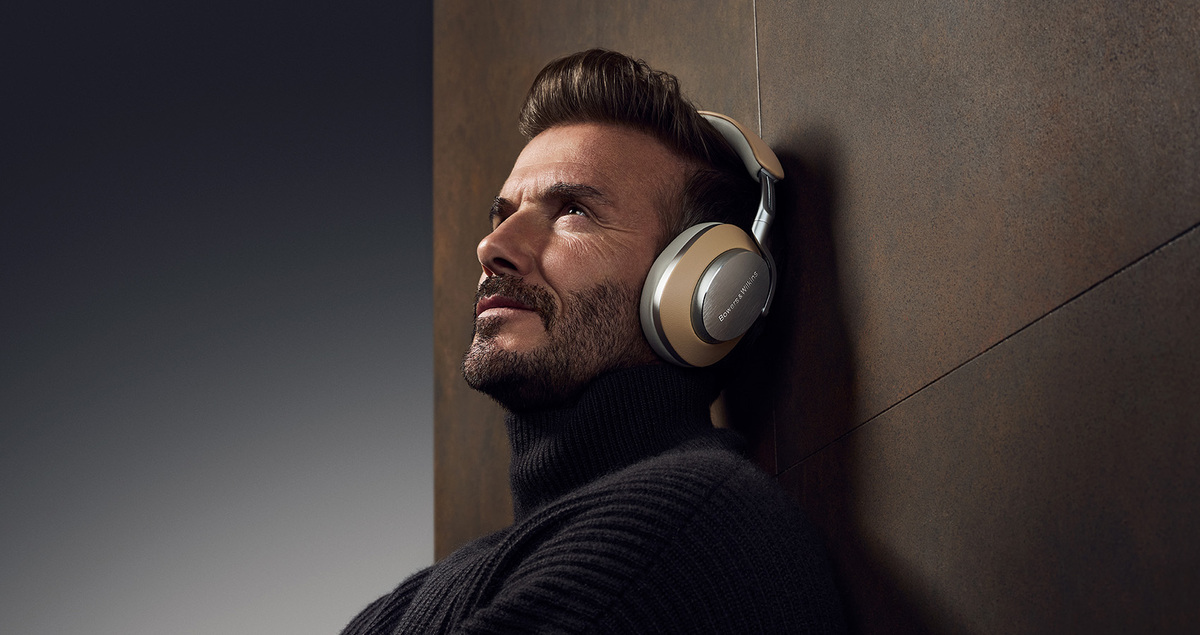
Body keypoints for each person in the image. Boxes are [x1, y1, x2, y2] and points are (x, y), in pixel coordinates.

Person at [342, 49, 845, 634]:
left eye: (573, 211)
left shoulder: (692, 526)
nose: (492, 247)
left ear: (698, 286)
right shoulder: (421, 596)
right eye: (502, 215)